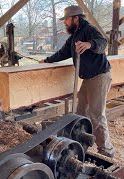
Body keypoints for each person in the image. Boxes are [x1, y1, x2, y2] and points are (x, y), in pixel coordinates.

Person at [40, 5, 114, 158]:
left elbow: (102, 43)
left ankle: (106, 150)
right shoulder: (74, 36)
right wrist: (47, 60)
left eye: (66, 19)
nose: (64, 22)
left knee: (96, 115)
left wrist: (89, 44)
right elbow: (63, 53)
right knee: (80, 113)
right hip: (87, 79)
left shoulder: (89, 30)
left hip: (99, 77)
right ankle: (80, 144)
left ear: (76, 18)